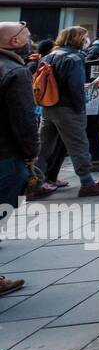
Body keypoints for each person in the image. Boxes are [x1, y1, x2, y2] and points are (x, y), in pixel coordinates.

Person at [35, 26, 99, 197]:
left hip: (49, 106)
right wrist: (81, 106)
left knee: (43, 147)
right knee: (79, 145)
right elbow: (75, 87)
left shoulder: (50, 55)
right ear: (78, 39)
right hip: (68, 108)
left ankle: (34, 184)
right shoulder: (75, 58)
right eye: (85, 37)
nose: (87, 40)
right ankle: (87, 183)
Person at [0, 22, 38, 297]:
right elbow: (24, 120)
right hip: (5, 154)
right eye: (26, 37)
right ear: (14, 42)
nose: (30, 42)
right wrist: (31, 153)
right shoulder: (15, 72)